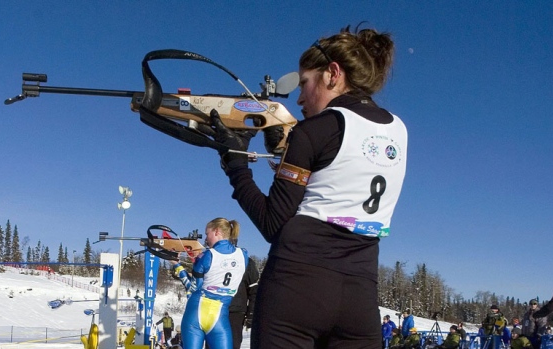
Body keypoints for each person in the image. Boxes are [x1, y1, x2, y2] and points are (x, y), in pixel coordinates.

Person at [205, 24, 407, 349]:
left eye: (304, 83)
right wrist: (285, 151)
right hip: (359, 294)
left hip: (296, 287)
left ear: (333, 74)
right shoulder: (398, 130)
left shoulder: (314, 129)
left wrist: (235, 165)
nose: (299, 97)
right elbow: (338, 172)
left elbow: (273, 223)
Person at [171, 218, 248, 349]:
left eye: (207, 234)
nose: (206, 239)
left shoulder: (206, 255)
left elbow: (192, 288)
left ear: (217, 232)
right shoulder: (243, 255)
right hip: (220, 315)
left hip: (196, 313)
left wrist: (177, 265)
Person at [228, 250, 259, 349]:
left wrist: (251, 313)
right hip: (214, 309)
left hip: (236, 312)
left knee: (232, 343)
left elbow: (254, 291)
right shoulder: (213, 257)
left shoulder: (246, 261)